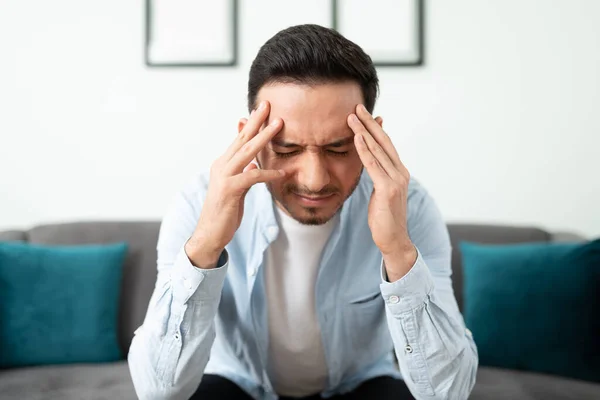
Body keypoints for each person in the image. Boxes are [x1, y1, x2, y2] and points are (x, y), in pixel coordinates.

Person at [128, 24, 478, 400]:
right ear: (250, 137)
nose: (313, 180)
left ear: (373, 138)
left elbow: (449, 393)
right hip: (237, 383)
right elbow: (157, 392)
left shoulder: (411, 207)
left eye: (339, 150)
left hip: (358, 385)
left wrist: (398, 251)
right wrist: (206, 245)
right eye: (288, 149)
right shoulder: (198, 203)